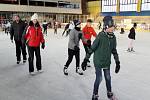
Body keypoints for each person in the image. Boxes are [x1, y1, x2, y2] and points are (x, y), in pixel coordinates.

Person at [81, 16, 120, 100]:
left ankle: (109, 92)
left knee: (108, 77)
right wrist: (85, 59)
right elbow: (92, 48)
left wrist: (117, 62)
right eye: (111, 28)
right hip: (98, 61)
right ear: (106, 27)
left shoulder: (113, 38)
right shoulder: (101, 36)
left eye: (113, 28)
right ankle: (95, 95)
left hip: (106, 61)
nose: (113, 29)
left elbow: (114, 50)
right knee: (99, 78)